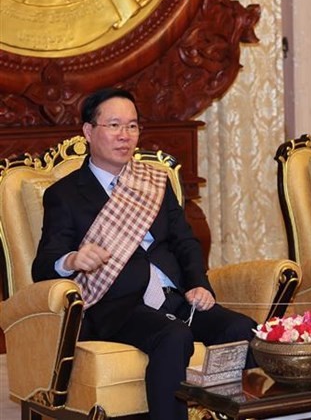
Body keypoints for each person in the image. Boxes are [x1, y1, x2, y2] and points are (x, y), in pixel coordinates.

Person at [32, 87, 256, 420]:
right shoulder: (65, 195)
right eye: (114, 126)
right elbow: (43, 266)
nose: (125, 136)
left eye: (133, 126)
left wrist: (198, 284)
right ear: (88, 132)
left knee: (244, 330)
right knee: (174, 336)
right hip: (114, 306)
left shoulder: (155, 182)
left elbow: (185, 242)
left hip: (175, 297)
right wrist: (73, 260)